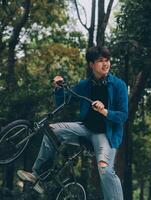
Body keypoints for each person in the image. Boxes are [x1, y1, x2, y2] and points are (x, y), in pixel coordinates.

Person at [17, 46, 128, 200]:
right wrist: (58, 88)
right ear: (91, 64)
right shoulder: (85, 85)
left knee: (105, 170)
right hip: (84, 129)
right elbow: (65, 100)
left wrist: (105, 111)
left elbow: (123, 116)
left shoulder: (118, 85)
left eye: (107, 60)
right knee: (51, 130)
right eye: (100, 61)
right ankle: (36, 175)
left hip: (105, 135)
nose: (105, 64)